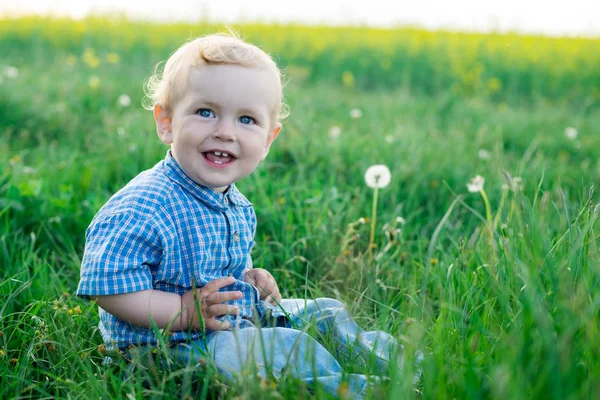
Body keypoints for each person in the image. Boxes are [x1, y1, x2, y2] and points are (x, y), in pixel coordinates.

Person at [77, 33, 407, 398]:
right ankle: (356, 391)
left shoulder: (235, 203)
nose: (225, 132)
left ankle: (407, 367)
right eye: (206, 112)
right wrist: (183, 312)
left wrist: (250, 282)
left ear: (268, 140)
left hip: (223, 326)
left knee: (324, 311)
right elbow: (106, 288)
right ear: (166, 122)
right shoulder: (143, 206)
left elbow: (221, 275)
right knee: (283, 345)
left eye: (247, 119)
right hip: (162, 350)